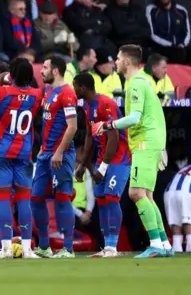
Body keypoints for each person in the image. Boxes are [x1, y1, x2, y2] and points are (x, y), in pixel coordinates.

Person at [92, 44, 173, 258]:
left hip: (145, 141)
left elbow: (136, 118)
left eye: (118, 58)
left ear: (127, 61)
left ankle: (155, 244)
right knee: (147, 195)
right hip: (151, 141)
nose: (115, 62)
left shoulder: (136, 83)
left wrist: (108, 125)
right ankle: (164, 244)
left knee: (136, 193)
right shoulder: (141, 82)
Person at [0, 58, 43, 259]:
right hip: (24, 154)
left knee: (3, 201)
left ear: (10, 74)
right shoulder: (37, 95)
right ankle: (28, 250)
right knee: (23, 201)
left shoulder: (1, 92)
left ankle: (5, 249)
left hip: (2, 154)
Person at [73, 72, 131, 258]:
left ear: (82, 88)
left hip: (119, 158)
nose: (73, 90)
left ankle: (113, 248)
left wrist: (104, 167)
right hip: (102, 159)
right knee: (102, 200)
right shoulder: (88, 108)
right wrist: (82, 164)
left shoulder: (106, 104)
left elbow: (113, 136)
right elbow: (91, 136)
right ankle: (107, 247)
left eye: (74, 86)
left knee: (112, 197)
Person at [32, 55, 78, 258]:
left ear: (56, 70)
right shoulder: (49, 91)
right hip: (45, 154)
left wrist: (59, 151)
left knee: (62, 197)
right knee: (35, 197)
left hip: (62, 154)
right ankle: (44, 246)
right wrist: (44, 148)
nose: (41, 71)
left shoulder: (67, 92)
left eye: (45, 67)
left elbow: (73, 127)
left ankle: (68, 248)